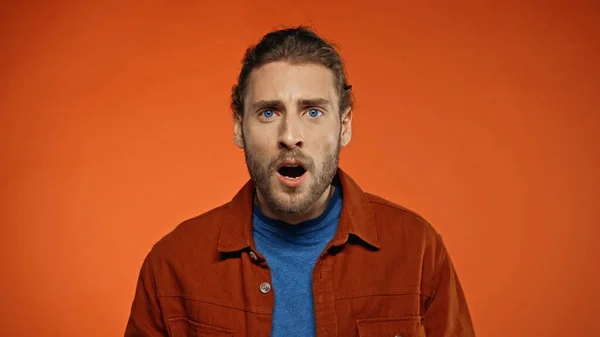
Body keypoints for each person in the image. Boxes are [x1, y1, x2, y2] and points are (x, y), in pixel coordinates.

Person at [125, 26, 475, 337]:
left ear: (345, 125)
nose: (290, 136)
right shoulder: (171, 264)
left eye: (313, 112)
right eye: (268, 112)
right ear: (238, 127)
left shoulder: (418, 251)